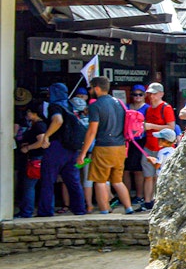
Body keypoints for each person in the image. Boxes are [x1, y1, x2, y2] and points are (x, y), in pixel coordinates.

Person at [76, 76, 135, 215]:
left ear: (97, 88)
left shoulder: (95, 106)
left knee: (100, 181)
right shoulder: (119, 103)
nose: (89, 91)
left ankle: (103, 211)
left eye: (90, 88)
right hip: (120, 147)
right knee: (117, 181)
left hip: (103, 147)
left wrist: (83, 153)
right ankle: (129, 208)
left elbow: (91, 131)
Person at [38, 83, 86, 216]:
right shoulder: (71, 105)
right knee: (73, 180)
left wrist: (46, 136)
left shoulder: (55, 106)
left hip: (57, 146)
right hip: (72, 147)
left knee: (48, 179)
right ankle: (79, 209)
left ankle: (46, 211)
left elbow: (57, 121)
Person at [141, 82, 175, 211]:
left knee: (159, 176)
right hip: (149, 146)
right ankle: (148, 201)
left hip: (162, 148)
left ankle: (158, 201)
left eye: (155, 94)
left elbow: (171, 127)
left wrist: (151, 126)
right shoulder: (148, 109)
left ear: (161, 94)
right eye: (150, 94)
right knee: (148, 175)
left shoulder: (166, 108)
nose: (152, 96)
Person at [15, 100, 48, 218]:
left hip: (36, 158)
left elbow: (41, 141)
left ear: (35, 113)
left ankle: (27, 211)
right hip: (34, 157)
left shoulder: (39, 125)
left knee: (29, 186)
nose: (27, 114)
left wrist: (28, 148)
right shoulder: (35, 125)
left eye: (29, 112)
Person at [123, 84, 148, 206]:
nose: (137, 97)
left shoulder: (147, 109)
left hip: (141, 141)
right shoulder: (126, 107)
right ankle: (125, 194)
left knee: (138, 169)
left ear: (144, 95)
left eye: (140, 94)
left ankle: (139, 195)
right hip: (127, 141)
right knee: (126, 169)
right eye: (135, 94)